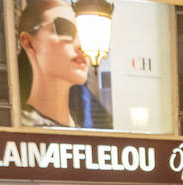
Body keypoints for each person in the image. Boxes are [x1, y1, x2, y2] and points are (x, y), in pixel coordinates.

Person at [17, 0, 112, 128]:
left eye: (85, 35)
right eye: (64, 30)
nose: (81, 45)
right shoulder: (20, 127)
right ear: (29, 43)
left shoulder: (87, 131)